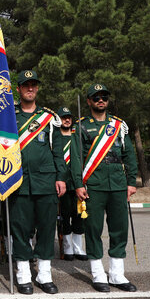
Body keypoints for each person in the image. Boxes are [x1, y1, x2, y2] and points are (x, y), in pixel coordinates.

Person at [70, 83, 138, 293]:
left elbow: (129, 154)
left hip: (118, 184)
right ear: (89, 101)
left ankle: (117, 274)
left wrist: (132, 181)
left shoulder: (119, 125)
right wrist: (78, 184)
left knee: (119, 229)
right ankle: (98, 273)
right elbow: (75, 158)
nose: (101, 100)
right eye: (96, 97)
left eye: (104, 97)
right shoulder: (81, 126)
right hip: (94, 185)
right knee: (93, 229)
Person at [11, 70, 66, 295]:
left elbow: (58, 152)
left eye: (33, 85)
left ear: (38, 89)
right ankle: (23, 273)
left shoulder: (49, 118)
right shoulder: (9, 117)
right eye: (26, 85)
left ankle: (44, 274)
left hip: (46, 181)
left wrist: (61, 177)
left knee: (45, 228)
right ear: (19, 89)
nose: (30, 89)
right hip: (17, 181)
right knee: (20, 228)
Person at [57, 106, 87, 261]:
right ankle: (68, 248)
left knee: (79, 216)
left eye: (69, 117)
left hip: (78, 183)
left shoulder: (78, 137)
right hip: (63, 185)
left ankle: (78, 248)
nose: (67, 120)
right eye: (63, 117)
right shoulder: (55, 138)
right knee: (65, 216)